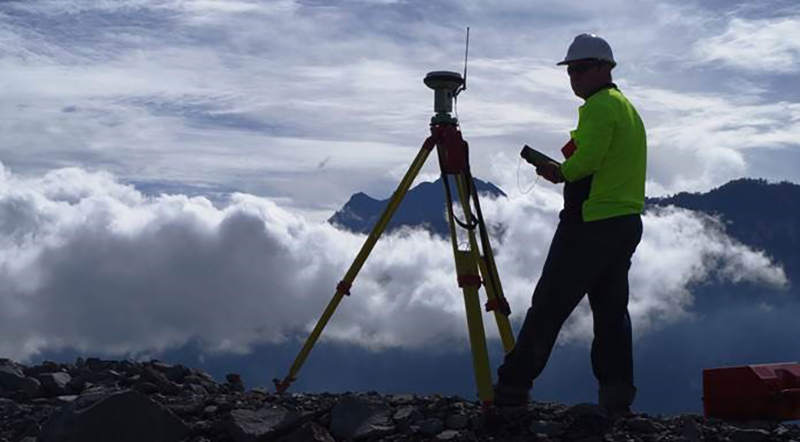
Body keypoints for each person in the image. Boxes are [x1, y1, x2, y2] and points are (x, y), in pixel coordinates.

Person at [494, 33, 647, 416]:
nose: (573, 77)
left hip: (589, 223)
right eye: (570, 70)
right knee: (612, 313)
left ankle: (513, 386)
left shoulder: (597, 108)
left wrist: (559, 172)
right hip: (624, 223)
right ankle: (617, 395)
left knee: (549, 305)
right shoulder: (626, 108)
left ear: (602, 69)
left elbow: (587, 161)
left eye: (579, 69)